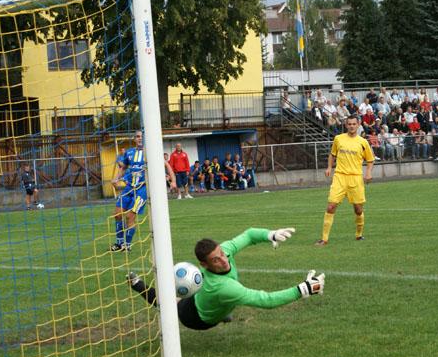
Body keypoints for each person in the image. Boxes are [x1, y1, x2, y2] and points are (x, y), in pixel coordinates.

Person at [126, 227, 325, 330]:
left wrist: (269, 234)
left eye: (221, 253)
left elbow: (248, 235)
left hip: (205, 297)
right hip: (195, 318)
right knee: (168, 303)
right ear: (204, 265)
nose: (223, 260)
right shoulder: (223, 287)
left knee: (189, 294)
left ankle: (221, 311)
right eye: (216, 259)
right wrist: (303, 289)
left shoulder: (225, 252)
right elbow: (267, 300)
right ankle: (138, 285)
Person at [110, 130, 177, 252]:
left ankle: (127, 244)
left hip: (142, 190)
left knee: (130, 217)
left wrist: (173, 181)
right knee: (117, 214)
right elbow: (123, 167)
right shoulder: (129, 153)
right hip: (128, 188)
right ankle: (119, 243)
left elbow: (166, 165)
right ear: (134, 139)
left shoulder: (151, 152)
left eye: (141, 137)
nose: (139, 138)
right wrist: (116, 178)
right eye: (137, 136)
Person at [315, 115, 374, 246]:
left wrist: (368, 172)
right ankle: (324, 239)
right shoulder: (338, 139)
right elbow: (332, 154)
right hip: (340, 177)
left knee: (358, 209)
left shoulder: (363, 142)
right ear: (346, 125)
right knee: (331, 206)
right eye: (349, 124)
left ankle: (359, 235)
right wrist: (329, 167)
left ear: (358, 125)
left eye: (354, 124)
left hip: (356, 178)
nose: (352, 126)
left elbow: (370, 160)